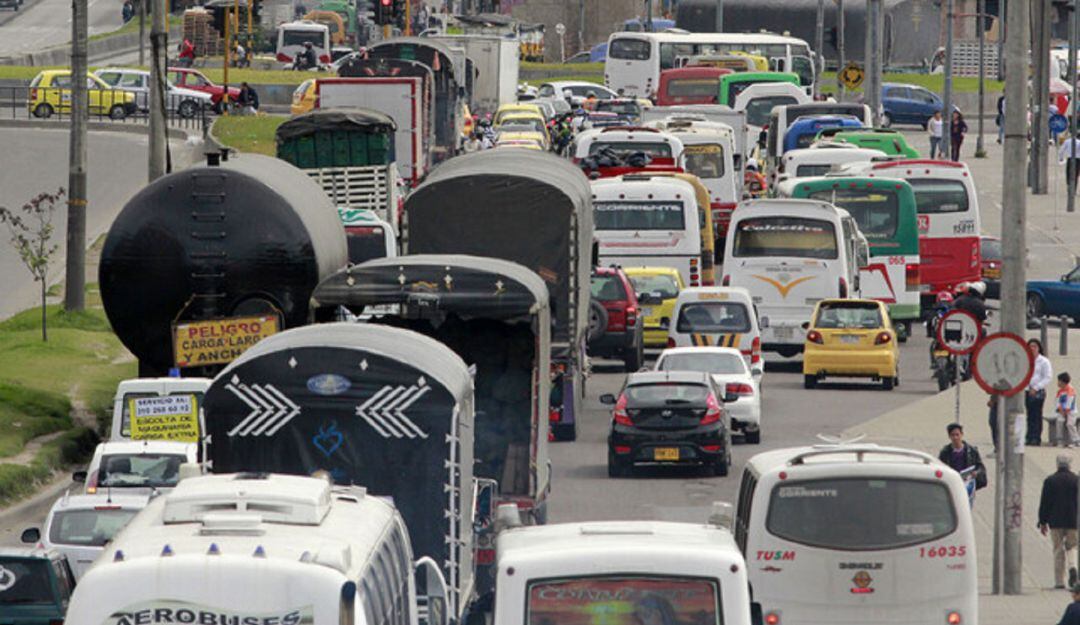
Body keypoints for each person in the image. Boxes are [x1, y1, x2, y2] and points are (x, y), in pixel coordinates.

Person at [1039, 455, 1079, 589]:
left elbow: (1045, 503)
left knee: (1058, 549)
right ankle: (1073, 566)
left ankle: (1059, 581)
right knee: (1072, 546)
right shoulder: (1076, 481)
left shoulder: (1050, 481)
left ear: (1057, 464)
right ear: (1070, 465)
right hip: (1074, 520)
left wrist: (1042, 521)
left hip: (1055, 521)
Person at [938, 423, 986, 506]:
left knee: (966, 507)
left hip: (968, 484)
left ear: (962, 434)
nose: (955, 437)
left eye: (957, 434)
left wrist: (976, 473)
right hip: (953, 483)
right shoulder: (945, 452)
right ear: (949, 436)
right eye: (953, 435)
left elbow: (980, 467)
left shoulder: (971, 451)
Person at [1027, 338, 1054, 446]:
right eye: (1030, 346)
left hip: (1037, 391)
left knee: (1036, 415)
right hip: (1026, 390)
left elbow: (1047, 377)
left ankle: (1036, 437)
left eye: (1034, 346)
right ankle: (1029, 436)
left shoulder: (1044, 361)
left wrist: (1036, 387)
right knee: (1029, 415)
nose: (1032, 348)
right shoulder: (1025, 359)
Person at [1057, 372, 1079, 447]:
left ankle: (1075, 440)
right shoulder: (1060, 391)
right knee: (1059, 421)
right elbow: (1057, 401)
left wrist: (1066, 410)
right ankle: (1060, 440)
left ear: (1063, 382)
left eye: (1059, 381)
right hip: (1062, 411)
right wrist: (1060, 409)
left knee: (1070, 424)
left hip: (1071, 411)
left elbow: (1070, 402)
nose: (1058, 383)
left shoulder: (1070, 390)